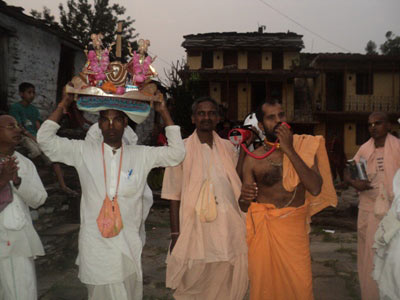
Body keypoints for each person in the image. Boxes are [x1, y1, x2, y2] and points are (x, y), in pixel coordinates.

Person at [37, 91, 185, 300]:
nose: (111, 125)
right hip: (96, 244)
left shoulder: (140, 154)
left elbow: (177, 153)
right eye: (105, 120)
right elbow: (44, 140)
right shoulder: (83, 151)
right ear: (99, 124)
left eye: (116, 120)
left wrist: (163, 111)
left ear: (125, 123)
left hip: (128, 243)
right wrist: (64, 103)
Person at [240, 99, 337, 300]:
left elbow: (315, 187)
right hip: (264, 233)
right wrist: (244, 197)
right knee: (264, 288)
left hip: (293, 233)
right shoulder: (253, 159)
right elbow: (243, 205)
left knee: (300, 288)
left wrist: (289, 149)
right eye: (271, 117)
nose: (278, 121)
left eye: (281, 115)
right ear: (260, 125)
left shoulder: (304, 147)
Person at [162, 97, 248, 300]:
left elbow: (236, 181)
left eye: (211, 113)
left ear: (218, 118)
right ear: (193, 118)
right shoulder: (179, 150)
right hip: (195, 228)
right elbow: (173, 195)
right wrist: (175, 234)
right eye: (201, 113)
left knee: (225, 275)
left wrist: (244, 152)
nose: (206, 117)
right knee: (192, 280)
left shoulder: (228, 147)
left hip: (227, 227)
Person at [345, 112, 400, 300]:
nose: (373, 127)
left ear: (389, 125)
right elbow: (348, 172)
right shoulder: (364, 149)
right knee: (368, 257)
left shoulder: (398, 147)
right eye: (370, 124)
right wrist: (355, 184)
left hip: (393, 213)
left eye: (378, 123)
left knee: (391, 260)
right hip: (368, 210)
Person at [0, 114, 47, 300]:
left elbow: (39, 199)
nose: (18, 130)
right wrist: (2, 181)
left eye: (18, 126)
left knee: (22, 293)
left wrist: (18, 181)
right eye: (10, 126)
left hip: (17, 241)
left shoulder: (24, 163)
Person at [9, 82, 77, 196]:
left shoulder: (34, 109)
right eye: (29, 92)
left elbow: (37, 124)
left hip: (34, 136)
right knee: (35, 150)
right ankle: (32, 175)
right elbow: (19, 127)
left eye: (33, 92)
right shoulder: (15, 108)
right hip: (22, 136)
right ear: (21, 94)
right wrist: (33, 137)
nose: (32, 95)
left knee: (52, 156)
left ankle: (63, 185)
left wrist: (41, 137)